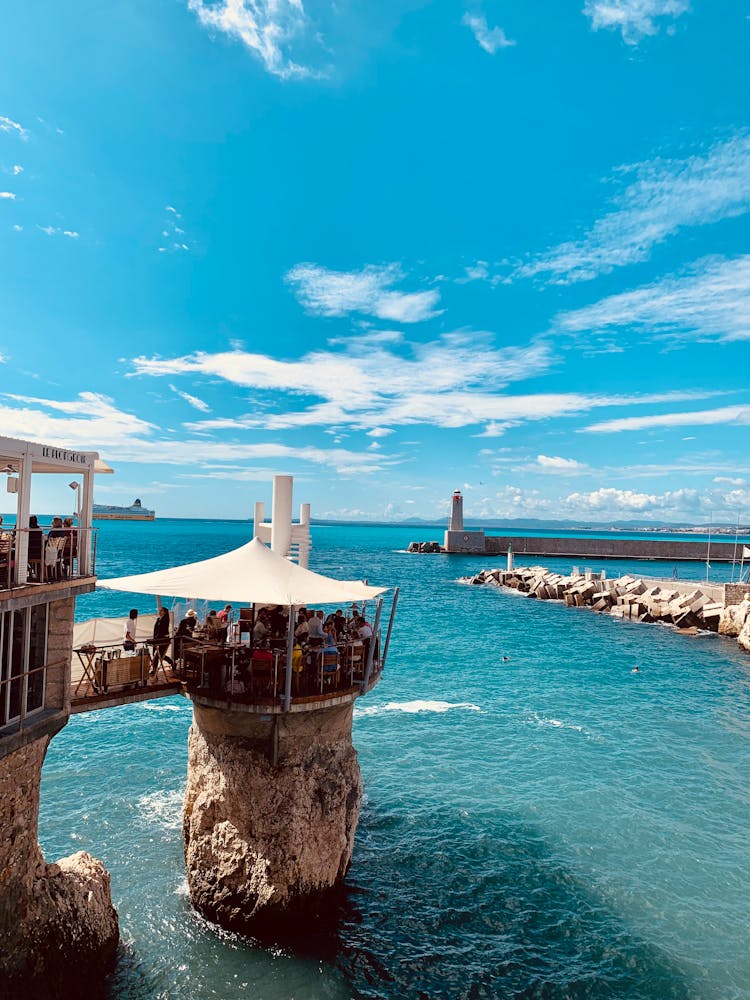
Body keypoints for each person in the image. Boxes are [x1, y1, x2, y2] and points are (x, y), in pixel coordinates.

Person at [151, 606, 173, 676]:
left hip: (163, 640)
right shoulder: (158, 619)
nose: (159, 612)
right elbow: (156, 630)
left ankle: (154, 670)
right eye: (159, 610)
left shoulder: (165, 620)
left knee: (159, 655)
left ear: (165, 612)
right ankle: (154, 669)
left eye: (161, 610)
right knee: (156, 654)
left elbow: (162, 630)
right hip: (157, 639)